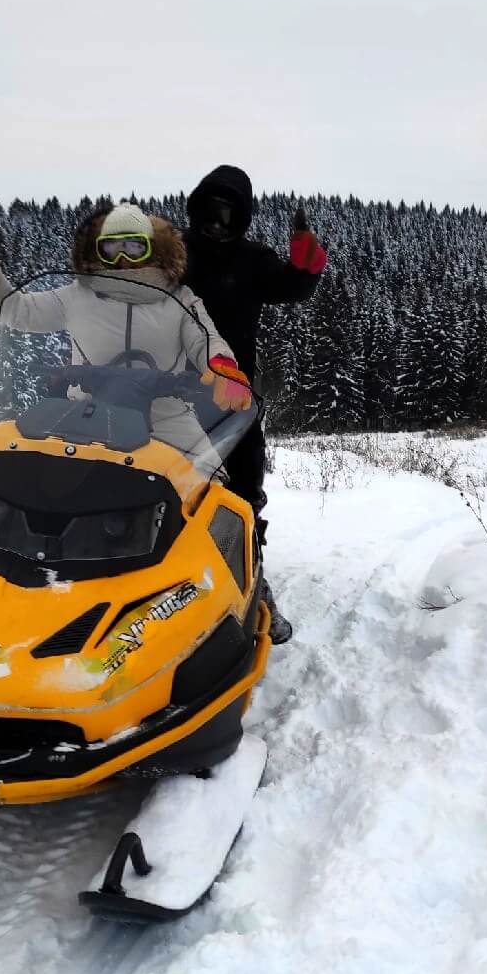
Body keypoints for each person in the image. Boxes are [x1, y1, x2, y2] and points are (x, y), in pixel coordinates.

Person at [0, 190, 253, 479]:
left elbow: (205, 340)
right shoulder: (77, 295)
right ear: (99, 251)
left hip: (166, 417)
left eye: (133, 246)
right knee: (39, 484)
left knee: (210, 484)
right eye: (112, 248)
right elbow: (15, 309)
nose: (123, 258)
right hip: (86, 415)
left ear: (152, 250)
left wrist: (222, 365)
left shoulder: (179, 298)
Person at [184, 165, 327, 644]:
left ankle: (252, 583)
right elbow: (125, 286)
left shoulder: (251, 260)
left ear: (241, 219)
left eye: (230, 215)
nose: (218, 224)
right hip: (167, 397)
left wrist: (306, 259)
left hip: (234, 398)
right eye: (211, 212)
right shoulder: (172, 254)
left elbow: (295, 288)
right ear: (197, 207)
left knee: (244, 496)